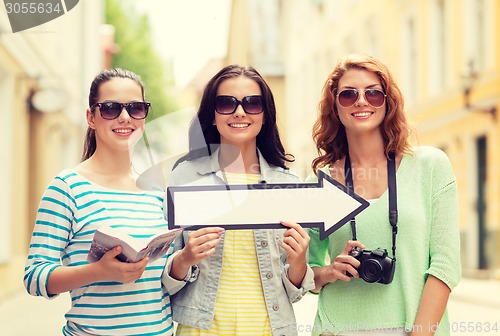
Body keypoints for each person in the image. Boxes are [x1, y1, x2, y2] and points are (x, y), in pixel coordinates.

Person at [306, 54, 460, 336]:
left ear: (388, 102)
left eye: (374, 93)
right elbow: (304, 273)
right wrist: (329, 271)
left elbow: (445, 265)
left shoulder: (430, 166)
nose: (361, 101)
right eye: (348, 95)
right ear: (334, 107)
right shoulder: (323, 182)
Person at [162, 64, 315, 336]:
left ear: (265, 115)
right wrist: (185, 257)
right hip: (199, 330)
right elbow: (162, 278)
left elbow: (296, 290)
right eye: (226, 103)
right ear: (212, 115)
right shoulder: (184, 178)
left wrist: (299, 260)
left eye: (252, 103)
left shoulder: (287, 184)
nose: (240, 112)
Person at [24, 68, 175, 335]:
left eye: (136, 108)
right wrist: (98, 271)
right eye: (110, 108)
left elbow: (164, 279)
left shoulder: (155, 190)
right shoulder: (67, 188)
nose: (125, 117)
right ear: (91, 117)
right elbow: (35, 278)